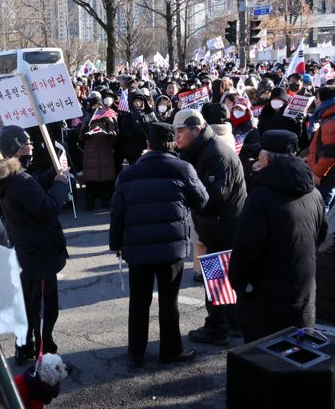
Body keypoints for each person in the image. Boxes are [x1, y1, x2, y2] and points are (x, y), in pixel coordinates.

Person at [110, 123, 209, 366]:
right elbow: (203, 200)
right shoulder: (183, 168)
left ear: (148, 145)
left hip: (138, 247)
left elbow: (117, 212)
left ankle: (136, 353)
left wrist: (116, 244)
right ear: (172, 142)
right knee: (169, 301)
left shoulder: (128, 174)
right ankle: (171, 350)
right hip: (171, 247)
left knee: (139, 301)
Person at [0, 125, 70, 364]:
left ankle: (24, 347)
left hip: (25, 252)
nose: (32, 146)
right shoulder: (21, 180)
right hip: (39, 255)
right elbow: (47, 207)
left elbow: (32, 188)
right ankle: (45, 354)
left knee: (28, 306)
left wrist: (53, 173)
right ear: (18, 149)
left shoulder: (10, 177)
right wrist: (61, 183)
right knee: (43, 310)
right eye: (28, 143)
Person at [229, 130, 328, 343]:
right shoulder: (314, 193)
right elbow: (320, 236)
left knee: (264, 363)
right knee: (299, 359)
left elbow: (246, 250)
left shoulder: (260, 198)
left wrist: (238, 283)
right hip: (304, 294)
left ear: (266, 158)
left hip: (265, 301)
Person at [173, 109, 246, 345]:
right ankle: (231, 322)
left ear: (196, 128)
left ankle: (217, 327)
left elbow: (216, 194)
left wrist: (185, 196)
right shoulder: (201, 149)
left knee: (217, 278)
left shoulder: (216, 153)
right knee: (225, 278)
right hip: (217, 225)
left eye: (181, 131)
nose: (177, 137)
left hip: (222, 228)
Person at [80, 94, 118, 209]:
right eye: (95, 104)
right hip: (90, 153)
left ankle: (106, 199)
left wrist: (112, 133)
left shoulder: (108, 118)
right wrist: (85, 134)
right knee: (91, 177)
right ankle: (90, 200)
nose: (97, 107)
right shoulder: (87, 118)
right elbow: (80, 135)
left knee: (106, 176)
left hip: (104, 151)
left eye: (99, 104)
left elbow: (114, 131)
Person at [306, 85, 335, 213]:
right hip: (327, 174)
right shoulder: (328, 116)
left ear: (324, 99)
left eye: (316, 98)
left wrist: (317, 173)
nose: (315, 101)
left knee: (322, 210)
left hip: (326, 177)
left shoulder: (331, 119)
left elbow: (331, 152)